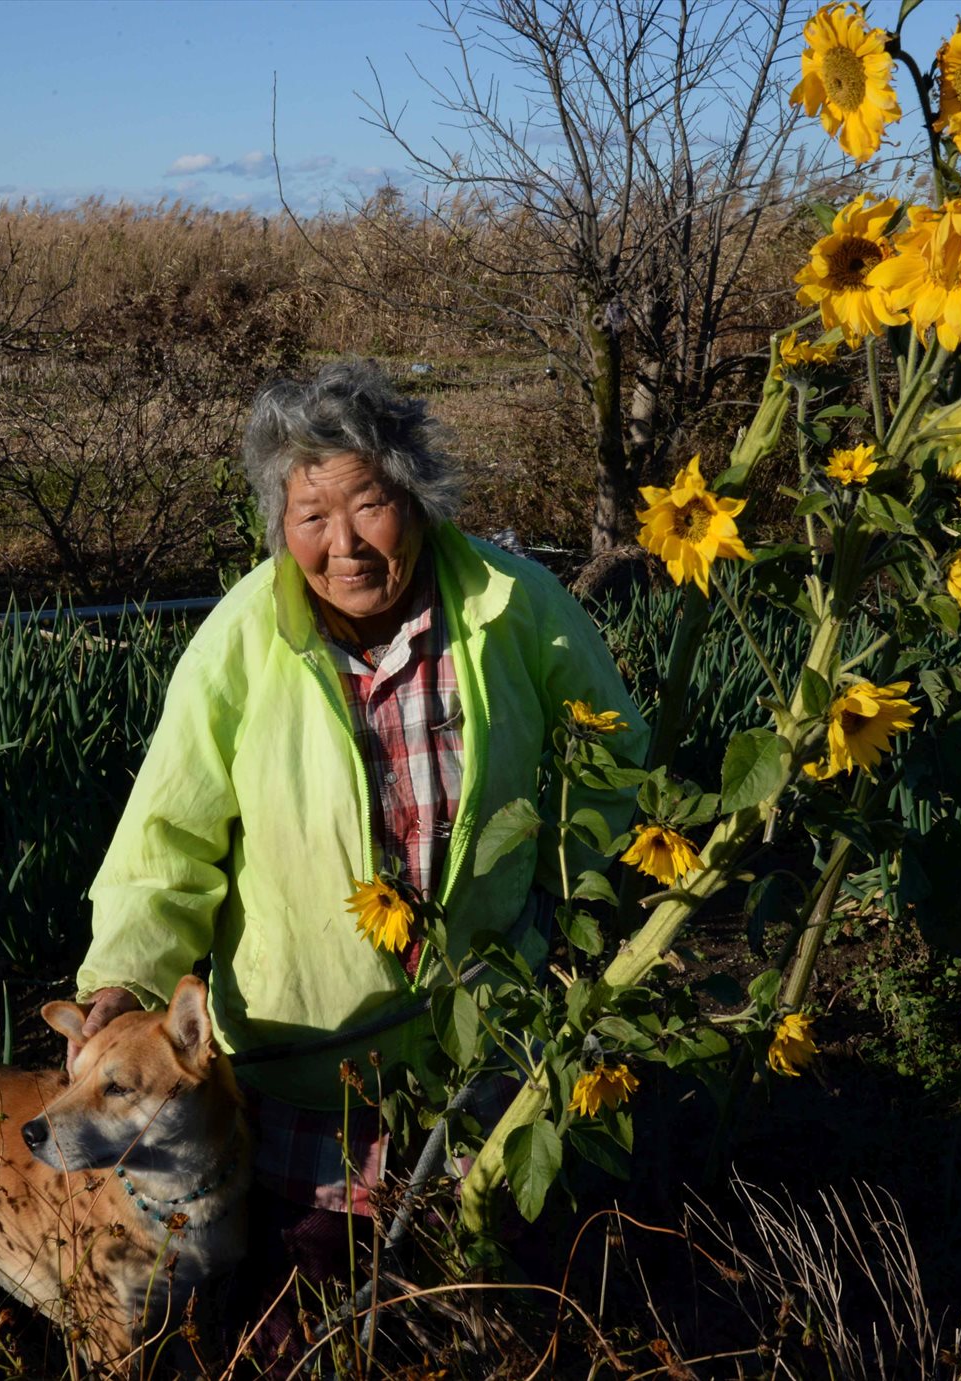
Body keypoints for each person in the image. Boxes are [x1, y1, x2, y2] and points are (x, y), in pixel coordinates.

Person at [69, 358, 646, 1333]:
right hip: (304, 1068)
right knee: (306, 1320)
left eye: (369, 504)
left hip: (480, 1038)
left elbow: (614, 757)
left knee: (484, 1300)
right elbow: (168, 835)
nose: (343, 544)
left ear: (415, 495)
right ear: (280, 526)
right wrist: (124, 977)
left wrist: (579, 917)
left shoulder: (511, 602)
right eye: (310, 516)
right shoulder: (243, 638)